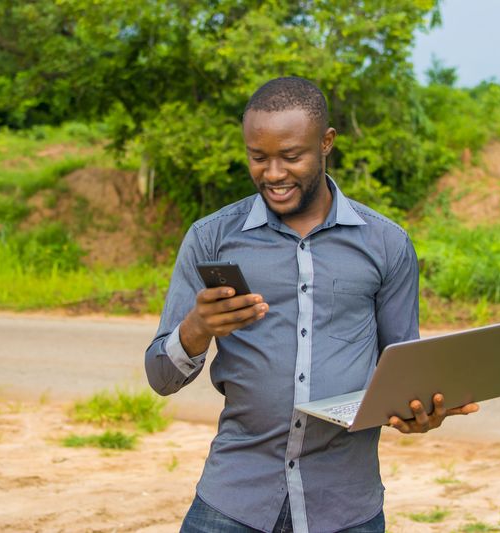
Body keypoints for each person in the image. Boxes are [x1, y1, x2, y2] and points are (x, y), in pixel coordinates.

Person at [145, 76, 478, 533]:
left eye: (291, 156)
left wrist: (418, 412)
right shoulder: (212, 238)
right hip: (232, 502)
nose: (273, 174)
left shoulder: (387, 244)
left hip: (346, 507)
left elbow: (403, 373)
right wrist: (197, 328)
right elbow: (160, 379)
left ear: (326, 142)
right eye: (257, 158)